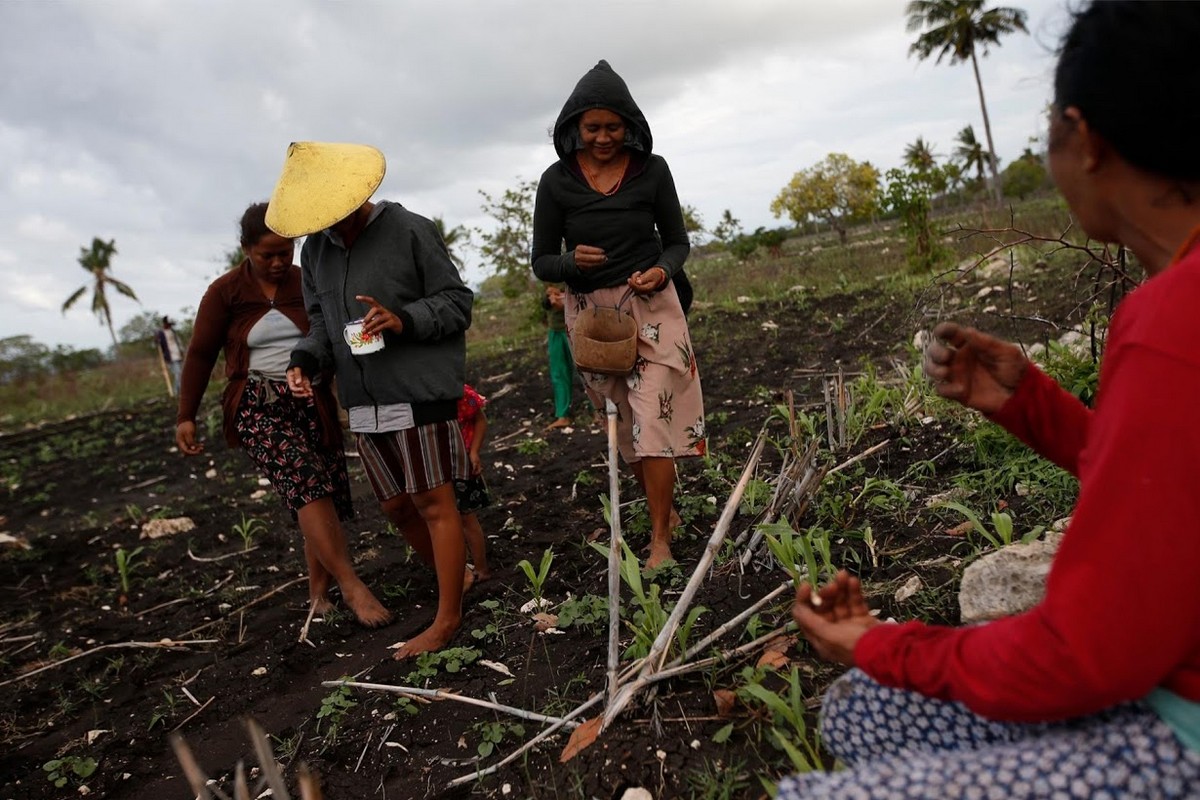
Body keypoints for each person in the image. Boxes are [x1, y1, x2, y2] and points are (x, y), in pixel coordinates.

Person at [779, 3, 1200, 797]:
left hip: (1175, 730)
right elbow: (1169, 488)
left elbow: (1081, 655)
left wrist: (883, 641)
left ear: (1086, 136)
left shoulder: (1171, 320)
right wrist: (1031, 405)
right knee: (860, 712)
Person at [266, 142, 475, 659]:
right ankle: (461, 578)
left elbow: (456, 302)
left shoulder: (408, 229)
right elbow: (321, 325)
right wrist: (305, 362)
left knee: (433, 502)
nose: (327, 224)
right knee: (396, 506)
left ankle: (447, 619)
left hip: (418, 389)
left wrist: (402, 319)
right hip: (362, 400)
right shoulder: (316, 251)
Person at [175, 202, 390, 628]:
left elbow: (329, 331)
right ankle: (351, 586)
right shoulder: (225, 293)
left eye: (284, 252)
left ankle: (318, 594)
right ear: (245, 250)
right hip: (259, 404)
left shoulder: (304, 279)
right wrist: (187, 415)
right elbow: (200, 354)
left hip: (312, 399)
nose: (276, 262)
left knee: (318, 490)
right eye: (266, 255)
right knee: (307, 484)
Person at [531, 60, 705, 569]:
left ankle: (659, 541)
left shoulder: (652, 170)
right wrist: (569, 262)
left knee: (652, 416)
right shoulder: (556, 181)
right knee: (626, 422)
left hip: (650, 303)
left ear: (630, 125)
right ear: (573, 128)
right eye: (593, 128)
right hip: (591, 317)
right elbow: (542, 260)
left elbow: (676, 243)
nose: (604, 137)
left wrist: (661, 269)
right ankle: (663, 512)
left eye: (613, 127)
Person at [456, 383, 492, 582]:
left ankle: (481, 568)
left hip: (461, 464)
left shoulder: (458, 391)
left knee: (466, 517)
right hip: (439, 464)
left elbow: (480, 420)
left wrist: (474, 452)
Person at [541, 283, 575, 430]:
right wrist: (549, 299)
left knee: (588, 371)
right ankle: (563, 415)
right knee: (559, 373)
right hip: (556, 331)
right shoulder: (547, 272)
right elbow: (545, 304)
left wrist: (564, 299)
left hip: (575, 328)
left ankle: (599, 412)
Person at [156, 316, 185, 396]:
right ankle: (178, 392)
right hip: (171, 357)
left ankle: (177, 392)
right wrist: (157, 340)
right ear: (165, 324)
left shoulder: (173, 332)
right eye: (168, 324)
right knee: (178, 374)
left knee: (180, 374)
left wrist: (182, 351)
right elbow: (158, 344)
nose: (170, 326)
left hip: (178, 355)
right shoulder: (161, 333)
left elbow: (178, 342)